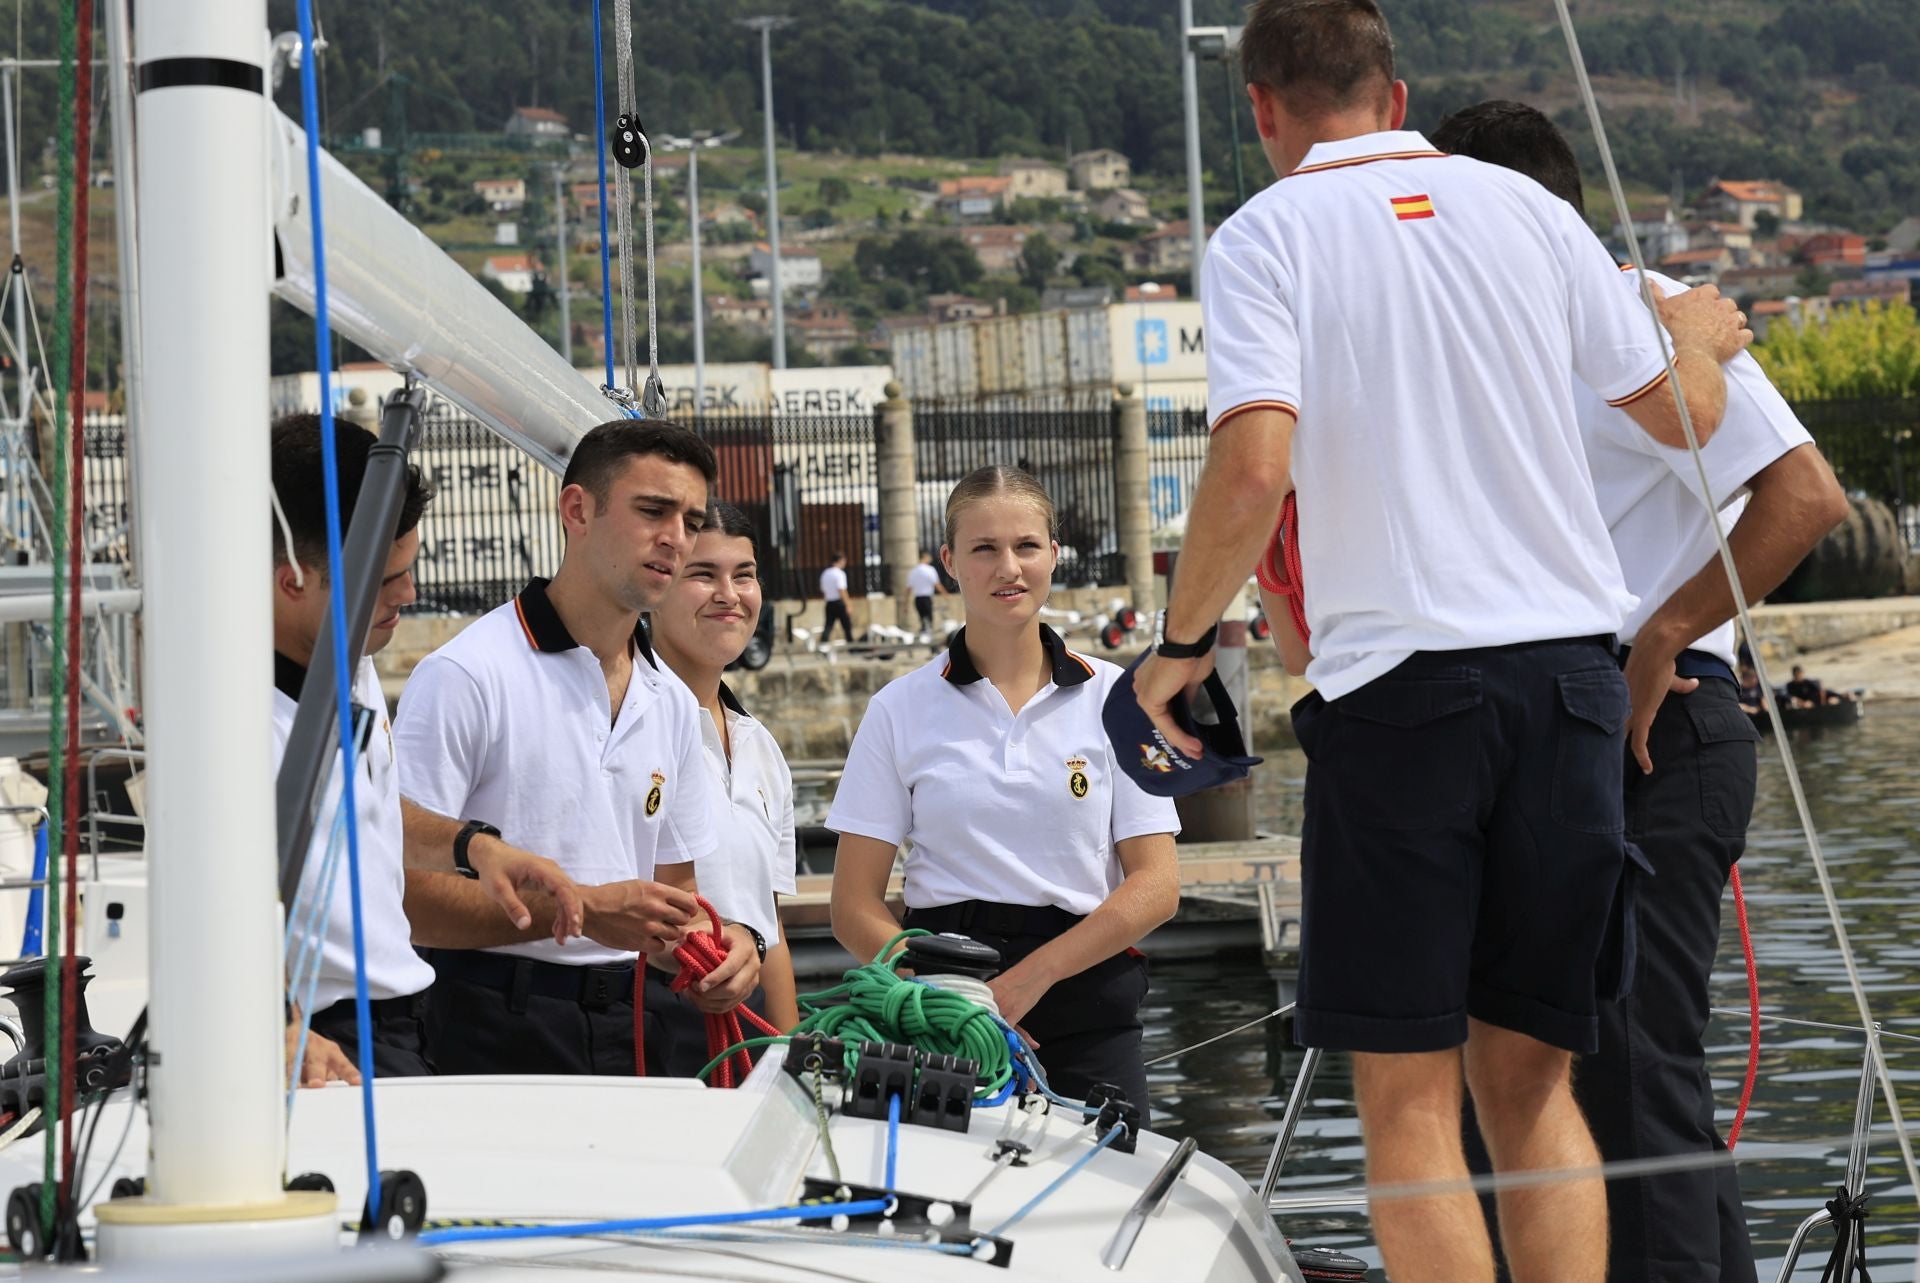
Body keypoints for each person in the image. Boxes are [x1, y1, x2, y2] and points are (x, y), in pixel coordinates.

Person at [1130, 4, 1750, 1280]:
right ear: (1395, 94)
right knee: (1534, 1090)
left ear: (1261, 111)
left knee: (1410, 1105)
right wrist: (1698, 335)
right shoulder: (1529, 213)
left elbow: (1252, 472)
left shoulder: (1265, 236)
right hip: (1571, 687)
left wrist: (1179, 643)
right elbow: (1685, 413)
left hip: (1407, 702)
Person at [1433, 99, 1849, 1283]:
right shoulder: (1480, 346)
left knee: (1627, 1063)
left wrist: (1663, 634)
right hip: (1541, 736)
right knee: (1523, 1070)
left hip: (1655, 726)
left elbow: (1805, 497)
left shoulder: (1643, 313)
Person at [395, 419, 761, 1076]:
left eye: (691, 519)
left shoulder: (673, 702)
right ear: (576, 509)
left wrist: (728, 948)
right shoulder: (466, 675)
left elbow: (673, 894)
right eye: (654, 509)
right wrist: (588, 912)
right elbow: (408, 893)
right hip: (487, 1025)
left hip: (640, 1024)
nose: (676, 537)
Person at [829, 466, 1180, 1111]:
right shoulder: (897, 709)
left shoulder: (1120, 701)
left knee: (1104, 1206)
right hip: (940, 1011)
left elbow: (1156, 887)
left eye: (1025, 546)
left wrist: (1029, 981)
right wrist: (944, 999)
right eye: (984, 549)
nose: (1007, 567)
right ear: (949, 563)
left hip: (1086, 1008)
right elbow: (852, 903)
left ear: (1053, 554)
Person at [269, 415, 582, 1086]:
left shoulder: (349, 661)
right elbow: (202, 886)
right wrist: (278, 1023)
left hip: (405, 1018)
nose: (408, 596)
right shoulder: (224, 721)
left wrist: (474, 846)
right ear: (292, 577)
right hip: (322, 1043)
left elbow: (365, 810)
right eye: (386, 581)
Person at [649, 501, 803, 1066]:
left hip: (752, 1023)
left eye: (744, 574)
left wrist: (790, 1055)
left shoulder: (761, 746)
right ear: (658, 587)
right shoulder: (626, 727)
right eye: (702, 575)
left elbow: (770, 925)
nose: (729, 594)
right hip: (655, 1014)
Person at [819, 552, 855, 645]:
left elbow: (823, 589)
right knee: (847, 626)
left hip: (829, 602)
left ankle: (823, 646)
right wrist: (848, 605)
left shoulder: (825, 573)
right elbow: (842, 590)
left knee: (828, 626)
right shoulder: (839, 573)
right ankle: (851, 646)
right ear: (840, 561)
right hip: (839, 603)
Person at [906, 551, 944, 636]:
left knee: (922, 619)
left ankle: (924, 634)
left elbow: (908, 588)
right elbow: (936, 584)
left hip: (918, 599)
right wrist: (945, 594)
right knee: (929, 620)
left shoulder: (913, 571)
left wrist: (906, 604)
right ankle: (930, 639)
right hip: (927, 598)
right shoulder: (930, 570)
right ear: (925, 558)